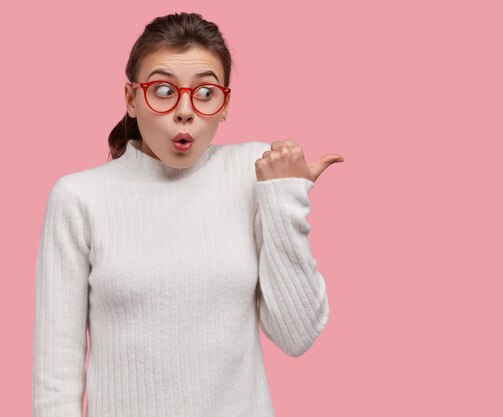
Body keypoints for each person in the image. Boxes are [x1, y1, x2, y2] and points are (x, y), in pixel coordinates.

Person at [31, 12, 343, 417]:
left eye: (205, 92)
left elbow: (297, 335)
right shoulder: (78, 197)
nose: (184, 111)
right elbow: (56, 374)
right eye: (163, 90)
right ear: (131, 99)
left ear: (225, 104)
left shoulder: (252, 171)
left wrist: (285, 199)